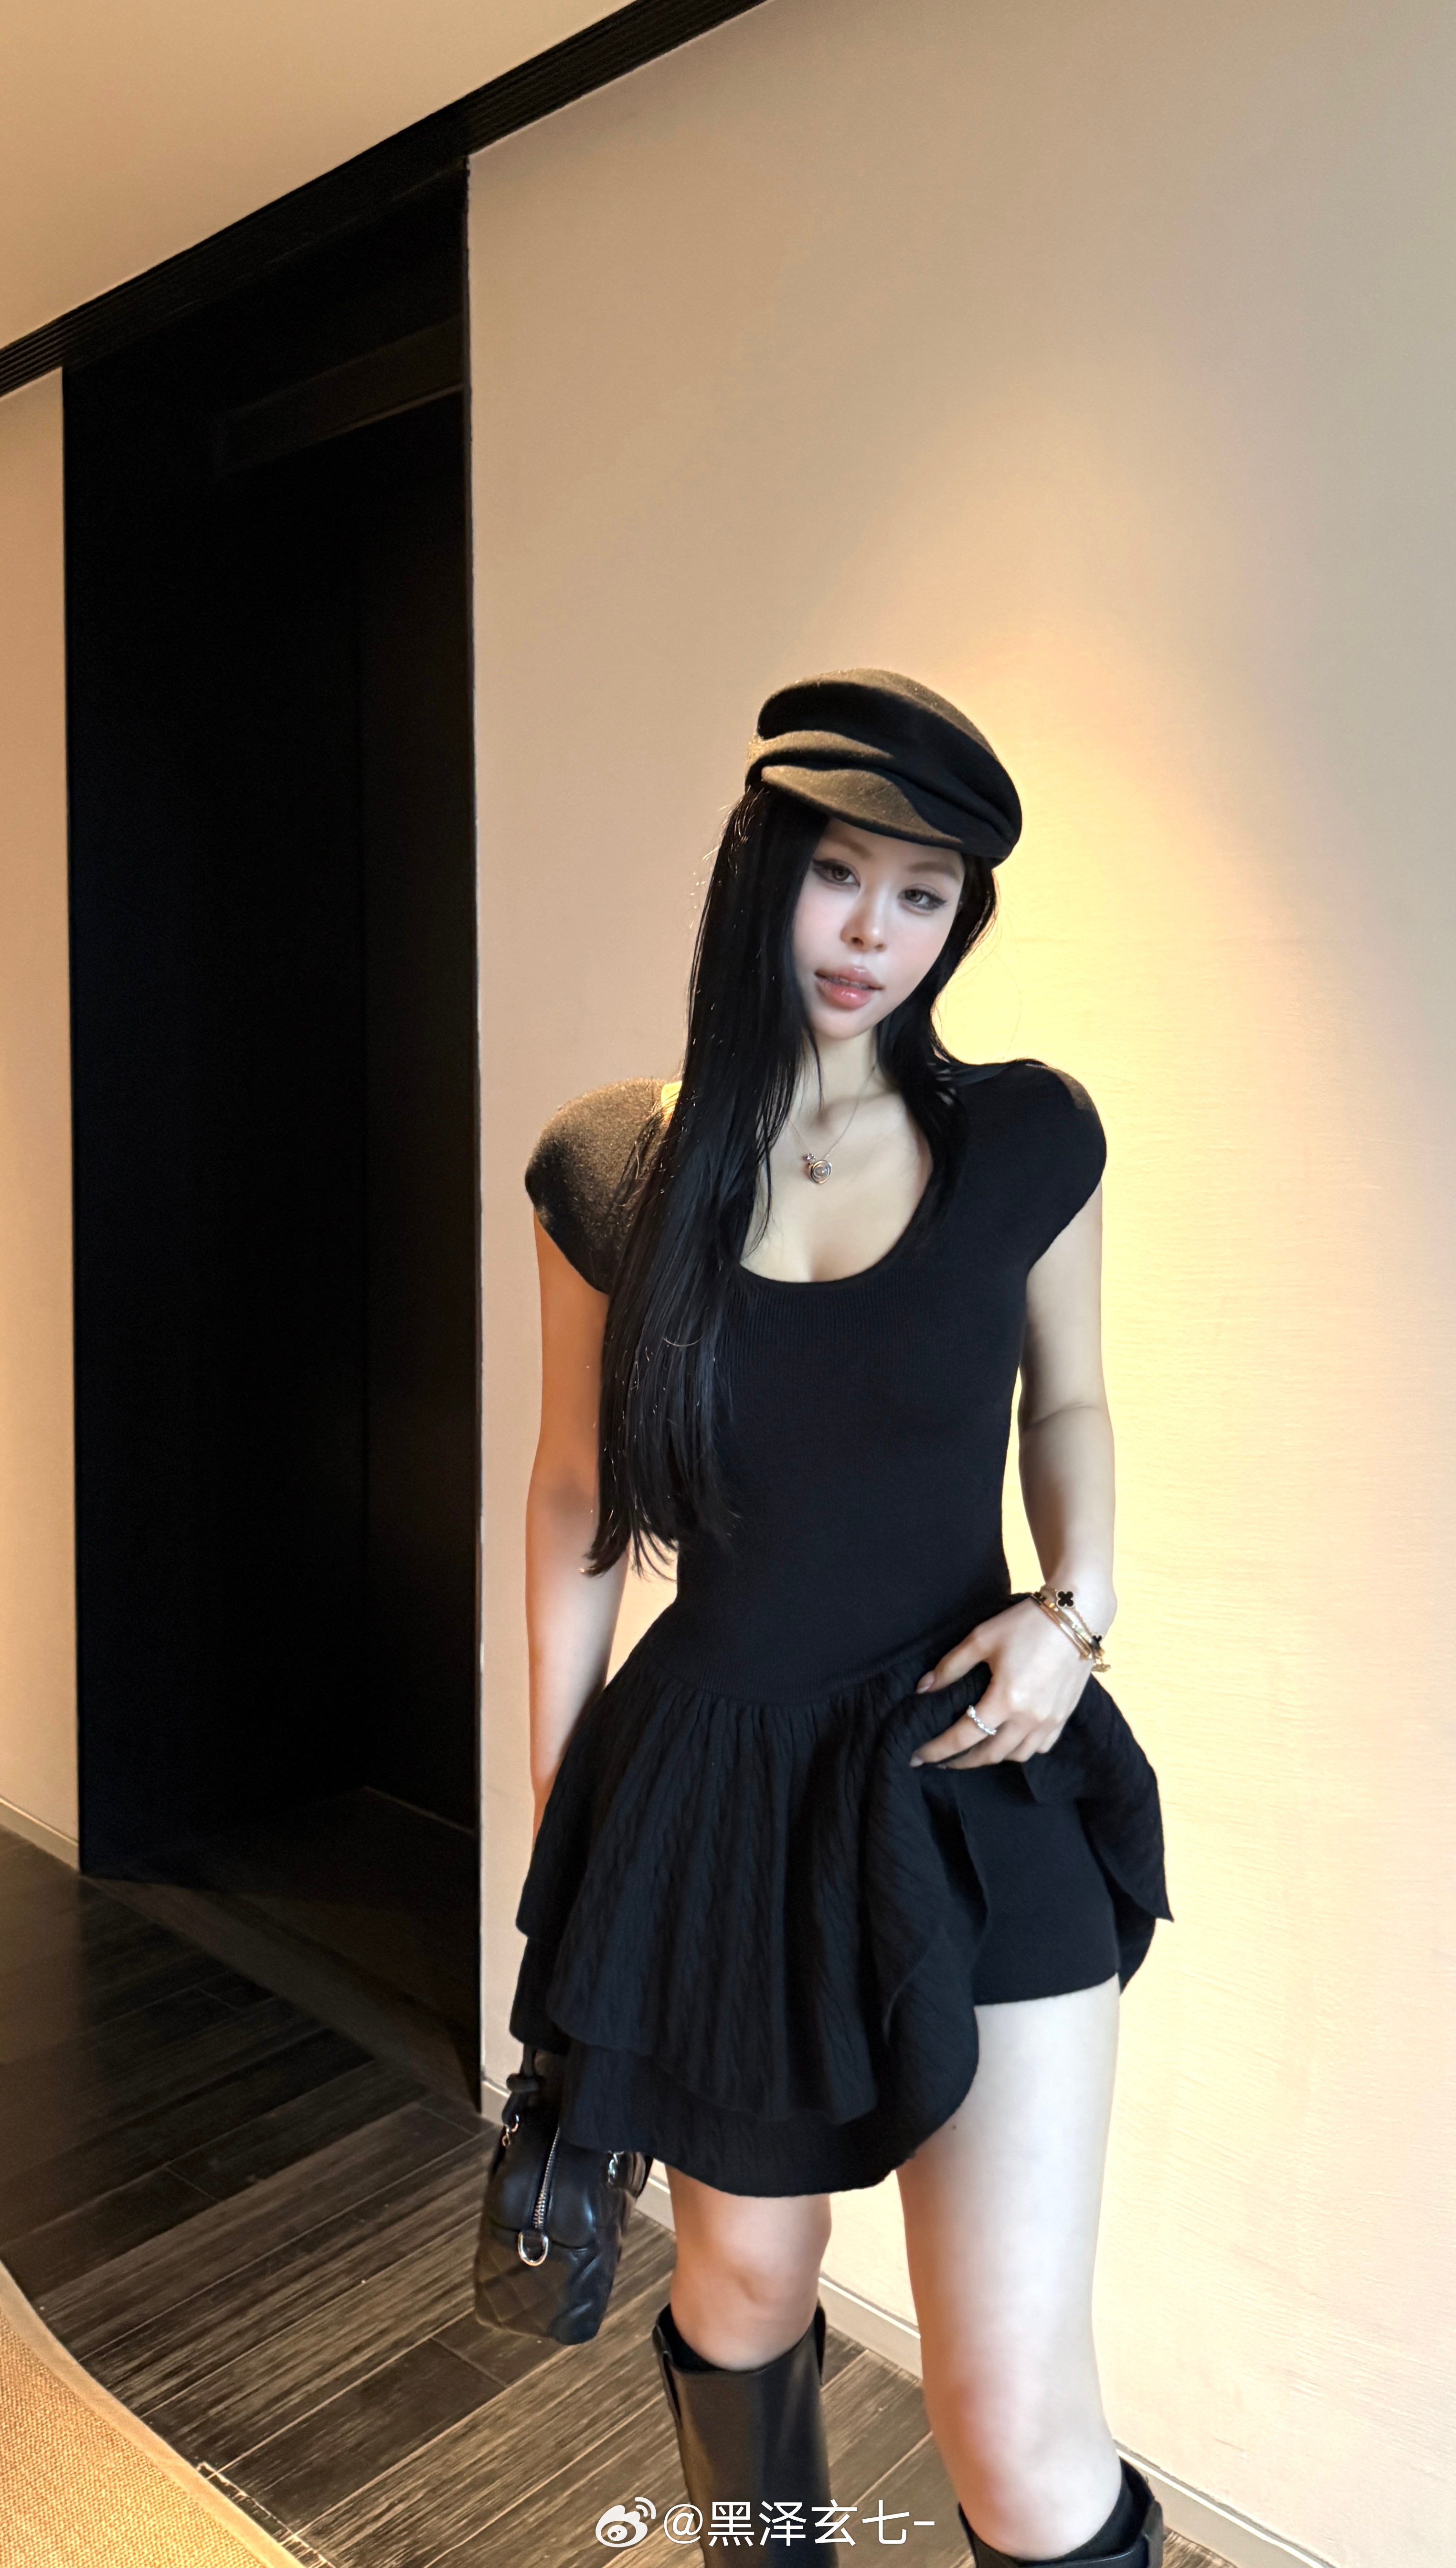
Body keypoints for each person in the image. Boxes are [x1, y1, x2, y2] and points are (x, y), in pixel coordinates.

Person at [510, 671, 1171, 2568]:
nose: (873, 932)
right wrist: (567, 1815)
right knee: (742, 2288)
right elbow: (573, 1497)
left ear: (962, 922)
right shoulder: (612, 1170)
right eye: (839, 876)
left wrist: (1076, 1614)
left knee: (1014, 2425)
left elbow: (1075, 1401)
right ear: (762, 870)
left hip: (979, 1766)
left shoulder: (1026, 1140)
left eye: (923, 895)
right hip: (716, 1794)